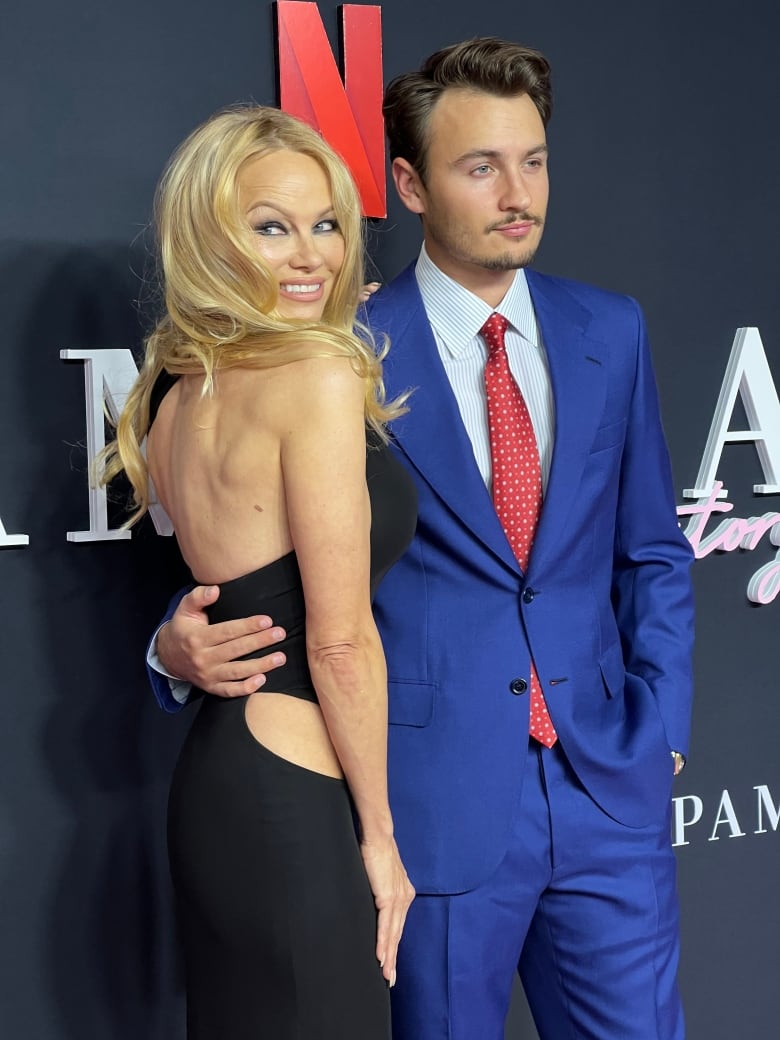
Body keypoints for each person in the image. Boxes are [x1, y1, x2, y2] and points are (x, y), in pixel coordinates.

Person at [149, 39, 695, 1040]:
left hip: (608, 794)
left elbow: (653, 547)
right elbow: (267, 551)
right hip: (431, 804)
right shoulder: (337, 347)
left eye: (532, 160)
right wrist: (171, 646)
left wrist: (661, 725)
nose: (516, 191)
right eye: (479, 165)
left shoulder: (609, 328)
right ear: (407, 183)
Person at [102, 105, 416, 1039]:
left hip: (219, 781)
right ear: (211, 240)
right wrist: (383, 839)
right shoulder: (314, 379)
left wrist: (167, 649)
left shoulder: (173, 393)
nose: (312, 254)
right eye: (270, 227)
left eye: (326, 223)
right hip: (296, 789)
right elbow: (340, 640)